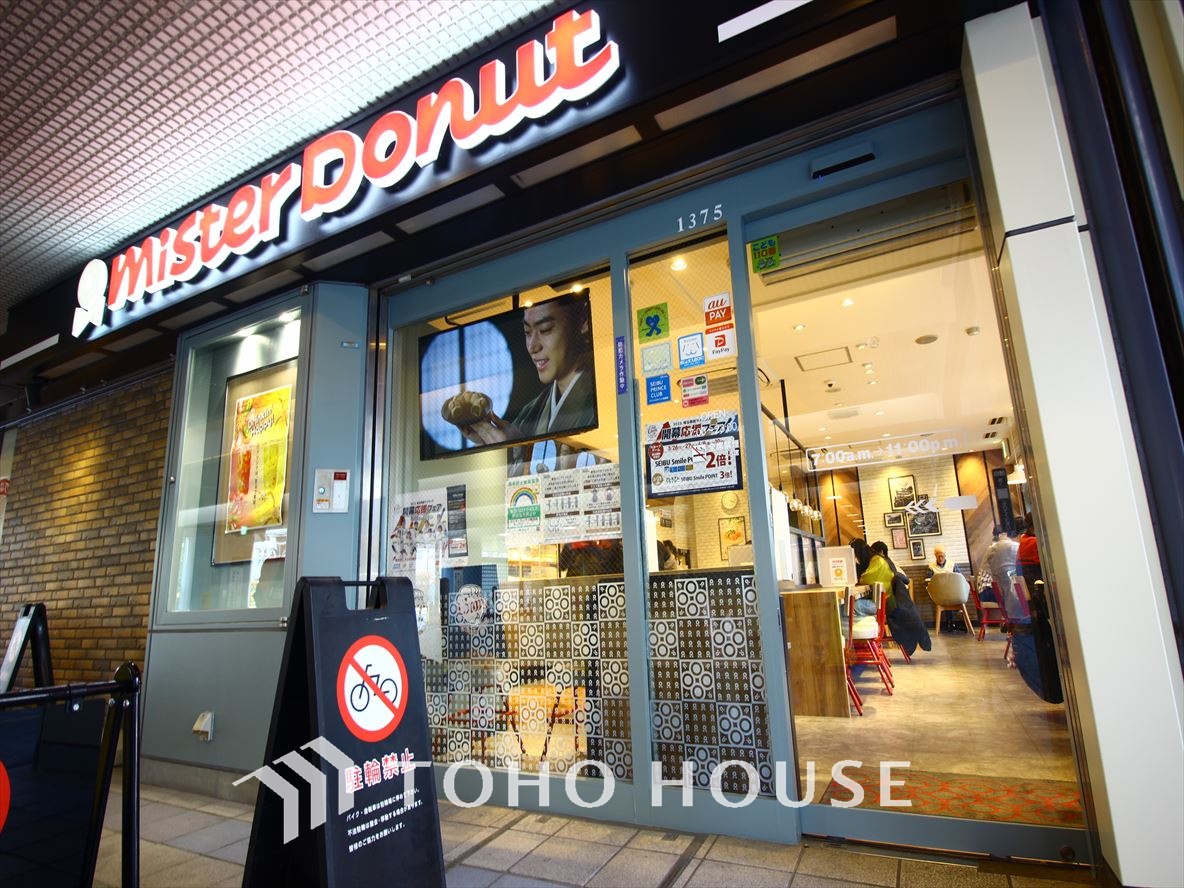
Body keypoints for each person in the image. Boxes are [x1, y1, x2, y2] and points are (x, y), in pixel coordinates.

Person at [460, 295, 596, 448]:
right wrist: (486, 437)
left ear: (583, 322)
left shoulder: (598, 398)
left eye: (545, 330)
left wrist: (517, 447)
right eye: (527, 332)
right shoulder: (530, 412)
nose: (532, 347)